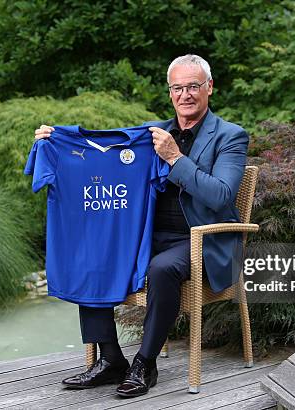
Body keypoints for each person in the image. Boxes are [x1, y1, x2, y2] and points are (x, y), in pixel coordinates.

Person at [33, 54, 249, 397]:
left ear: (210, 87)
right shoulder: (153, 131)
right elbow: (103, 145)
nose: (185, 94)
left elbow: (221, 196)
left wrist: (175, 158)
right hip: (146, 234)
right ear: (170, 92)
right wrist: (56, 137)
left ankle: (145, 363)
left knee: (163, 269)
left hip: (200, 238)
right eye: (177, 87)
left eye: (193, 86)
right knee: (95, 256)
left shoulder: (231, 137)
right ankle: (110, 359)